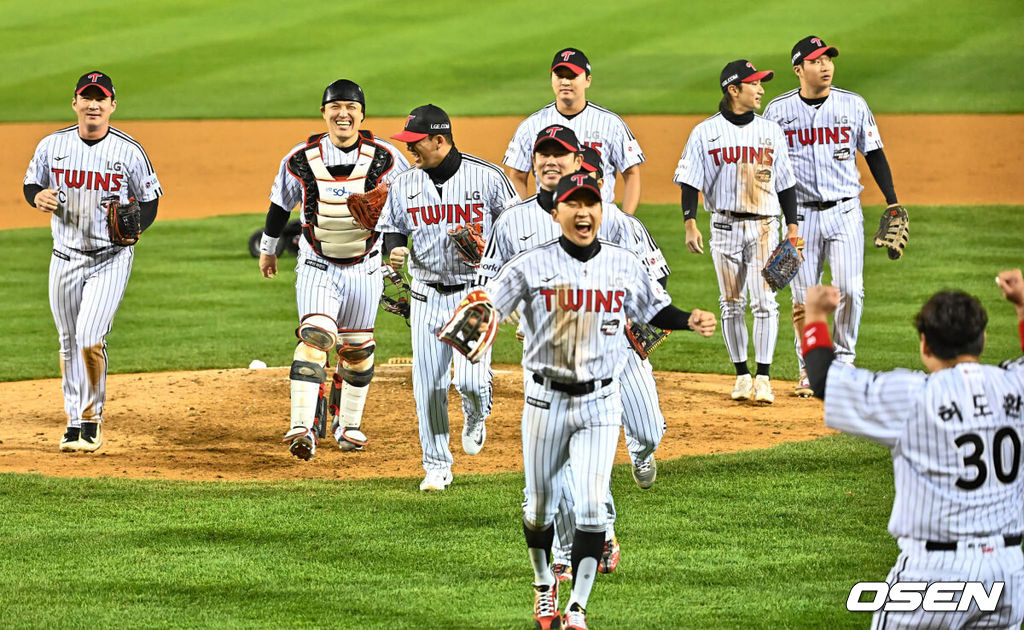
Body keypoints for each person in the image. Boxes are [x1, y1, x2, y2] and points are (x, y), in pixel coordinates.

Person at [453, 173, 715, 629]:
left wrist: (688, 319)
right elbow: (489, 303)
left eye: (591, 202)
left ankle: (577, 608)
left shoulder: (623, 262)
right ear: (555, 213)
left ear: (600, 209)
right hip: (543, 402)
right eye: (573, 203)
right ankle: (542, 584)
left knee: (592, 507)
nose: (583, 211)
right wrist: (471, 322)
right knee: (539, 507)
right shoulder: (528, 265)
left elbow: (654, 309)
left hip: (600, 403)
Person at [479, 127, 662, 583]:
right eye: (542, 154)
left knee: (648, 429)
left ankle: (641, 453)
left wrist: (641, 323)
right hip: (550, 362)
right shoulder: (513, 222)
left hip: (617, 351)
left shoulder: (616, 221)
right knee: (561, 463)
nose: (549, 161)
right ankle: (580, 544)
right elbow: (490, 286)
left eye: (559, 154)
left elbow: (655, 289)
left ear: (579, 162)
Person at [802, 269, 1024, 629]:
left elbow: (824, 378)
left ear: (924, 344)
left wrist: (815, 316)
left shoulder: (913, 396)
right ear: (983, 338)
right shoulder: (1015, 386)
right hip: (1008, 572)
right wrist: (1022, 307)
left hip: (934, 575)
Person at [258, 79, 409, 460]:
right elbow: (280, 206)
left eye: (351, 107)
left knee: (357, 350)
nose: (343, 113)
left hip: (365, 266)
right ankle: (302, 427)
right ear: (323, 112)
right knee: (316, 337)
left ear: (362, 113)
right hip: (316, 263)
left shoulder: (386, 158)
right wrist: (268, 250)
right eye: (335, 106)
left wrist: (397, 247)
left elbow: (407, 203)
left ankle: (347, 425)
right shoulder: (300, 157)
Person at [377, 104, 519, 491]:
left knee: (470, 382)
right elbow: (392, 227)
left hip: (475, 293)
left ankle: (476, 411)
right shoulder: (405, 184)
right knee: (429, 387)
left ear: (439, 140)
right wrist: (395, 249)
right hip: (425, 294)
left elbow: (515, 229)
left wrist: (499, 267)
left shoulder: (487, 178)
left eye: (415, 143)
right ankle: (437, 465)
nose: (410, 151)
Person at [23, 71, 163, 453]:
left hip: (110, 258)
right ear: (75, 103)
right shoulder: (52, 146)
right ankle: (72, 421)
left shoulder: (129, 150)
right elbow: (31, 183)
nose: (93, 104)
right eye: (86, 97)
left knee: (88, 337)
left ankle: (91, 418)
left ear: (112, 106)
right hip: (64, 256)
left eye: (100, 98)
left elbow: (150, 200)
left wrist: (136, 229)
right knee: (68, 342)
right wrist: (37, 197)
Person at [764, 36, 904, 396]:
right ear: (799, 69)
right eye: (815, 61)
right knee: (804, 298)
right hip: (800, 219)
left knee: (851, 290)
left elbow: (873, 153)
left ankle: (842, 363)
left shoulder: (853, 105)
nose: (825, 66)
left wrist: (891, 201)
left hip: (844, 212)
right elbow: (766, 168)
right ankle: (809, 369)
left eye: (828, 59)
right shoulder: (777, 112)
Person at [673, 60, 799, 404]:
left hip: (763, 228)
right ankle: (742, 375)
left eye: (761, 84)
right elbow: (689, 181)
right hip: (724, 227)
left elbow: (786, 183)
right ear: (733, 90)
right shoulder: (704, 132)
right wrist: (689, 222)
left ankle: (764, 377)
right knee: (731, 303)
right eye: (754, 84)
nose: (761, 90)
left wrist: (792, 226)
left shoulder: (771, 131)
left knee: (764, 303)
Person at [503, 48, 645, 215]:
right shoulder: (531, 126)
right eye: (559, 75)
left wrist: (626, 219)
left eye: (572, 76)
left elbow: (631, 173)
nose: (565, 81)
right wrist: (520, 217)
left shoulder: (611, 124)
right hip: (547, 218)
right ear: (552, 79)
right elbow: (518, 175)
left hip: (599, 219)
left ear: (588, 80)